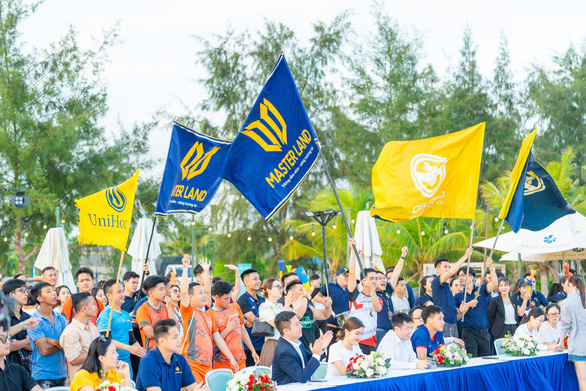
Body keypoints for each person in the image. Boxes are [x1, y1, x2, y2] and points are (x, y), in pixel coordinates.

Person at [179, 255, 239, 383]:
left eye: (203, 293)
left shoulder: (208, 316)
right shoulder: (188, 312)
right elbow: (183, 292)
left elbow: (218, 340)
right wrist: (185, 268)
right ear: (191, 298)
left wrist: (231, 359)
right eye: (199, 293)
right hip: (192, 364)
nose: (204, 295)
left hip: (208, 365)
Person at [135, 319, 208, 391]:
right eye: (175, 337)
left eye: (178, 336)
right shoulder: (148, 361)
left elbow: (192, 388)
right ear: (162, 341)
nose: (179, 340)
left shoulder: (180, 359)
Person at [97, 279, 145, 380]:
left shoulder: (126, 314)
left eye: (122, 291)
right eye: (119, 292)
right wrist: (129, 348)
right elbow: (106, 340)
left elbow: (131, 339)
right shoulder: (105, 315)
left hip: (126, 362)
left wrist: (142, 352)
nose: (123, 294)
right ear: (109, 295)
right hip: (112, 363)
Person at [207, 280, 259, 371]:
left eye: (230, 298)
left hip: (240, 359)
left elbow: (243, 331)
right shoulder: (209, 315)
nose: (229, 301)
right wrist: (228, 329)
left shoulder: (235, 307)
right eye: (226, 298)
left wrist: (253, 351)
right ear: (216, 297)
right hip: (222, 362)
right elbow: (213, 343)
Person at [271, 311, 333, 385]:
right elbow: (302, 377)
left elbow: (309, 360)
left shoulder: (297, 342)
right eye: (297, 324)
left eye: (299, 323)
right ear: (286, 331)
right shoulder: (283, 352)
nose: (301, 326)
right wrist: (316, 355)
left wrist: (320, 348)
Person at [26, 282, 68, 389]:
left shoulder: (61, 319)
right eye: (48, 291)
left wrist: (52, 341)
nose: (54, 293)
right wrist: (60, 343)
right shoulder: (34, 321)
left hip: (62, 374)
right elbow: (44, 351)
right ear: (39, 298)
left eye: (53, 290)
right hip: (42, 375)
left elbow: (68, 344)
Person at [454, 258, 498, 357]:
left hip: (484, 332)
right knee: (472, 359)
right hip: (469, 332)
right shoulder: (458, 296)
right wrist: (468, 305)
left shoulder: (481, 289)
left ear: (471, 277)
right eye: (459, 276)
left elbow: (495, 284)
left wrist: (490, 267)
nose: (460, 278)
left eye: (463, 275)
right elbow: (457, 317)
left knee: (485, 360)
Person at [347, 239, 382, 354]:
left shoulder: (377, 297)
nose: (375, 281)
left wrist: (372, 288)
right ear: (363, 281)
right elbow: (352, 273)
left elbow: (377, 308)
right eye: (371, 278)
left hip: (373, 341)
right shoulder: (355, 295)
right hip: (358, 341)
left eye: (376, 278)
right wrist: (353, 251)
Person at [431, 248, 473, 338]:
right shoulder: (436, 281)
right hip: (443, 324)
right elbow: (452, 271)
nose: (448, 269)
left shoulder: (447, 286)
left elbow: (448, 307)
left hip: (453, 325)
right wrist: (465, 256)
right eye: (445, 267)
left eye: (448, 266)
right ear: (437, 269)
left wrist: (459, 309)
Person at [60, 292, 101, 379]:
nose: (95, 307)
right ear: (84, 308)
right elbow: (74, 359)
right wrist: (98, 350)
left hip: (96, 378)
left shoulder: (92, 327)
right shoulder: (71, 331)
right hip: (82, 381)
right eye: (93, 304)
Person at [285, 279, 332, 352]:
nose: (305, 292)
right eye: (301, 290)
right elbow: (298, 315)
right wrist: (306, 297)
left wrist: (327, 306)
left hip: (311, 350)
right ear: (291, 293)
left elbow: (324, 315)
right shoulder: (287, 308)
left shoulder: (308, 308)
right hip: (297, 351)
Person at [557, 275, 586, 391]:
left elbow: (565, 325)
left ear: (570, 285)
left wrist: (560, 342)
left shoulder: (567, 302)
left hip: (579, 343)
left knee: (582, 379)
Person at [2, 279, 33, 371]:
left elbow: (35, 346)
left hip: (29, 369)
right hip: (8, 369)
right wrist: (27, 341)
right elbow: (7, 346)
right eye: (22, 290)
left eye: (27, 290)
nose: (26, 293)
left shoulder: (29, 318)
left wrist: (15, 341)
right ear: (11, 294)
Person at [136, 276, 174, 352]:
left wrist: (169, 308)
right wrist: (170, 332)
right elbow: (150, 333)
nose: (164, 292)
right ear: (151, 293)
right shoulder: (143, 309)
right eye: (161, 289)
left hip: (168, 351)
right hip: (152, 353)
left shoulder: (166, 306)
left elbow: (176, 327)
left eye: (164, 288)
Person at [0, 324, 43, 391]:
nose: (8, 342)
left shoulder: (18, 369)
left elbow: (36, 388)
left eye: (8, 337)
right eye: (3, 338)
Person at [236, 268, 265, 367]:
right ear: (246, 282)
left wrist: (259, 321)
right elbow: (255, 320)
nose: (259, 281)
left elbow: (258, 322)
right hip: (251, 347)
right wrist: (266, 320)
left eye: (259, 279)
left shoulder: (262, 299)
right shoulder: (242, 300)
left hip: (265, 345)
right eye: (255, 279)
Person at [314, 267, 350, 347]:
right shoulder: (329, 286)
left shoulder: (351, 290)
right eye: (345, 275)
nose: (347, 277)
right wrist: (324, 301)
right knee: (331, 350)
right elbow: (315, 296)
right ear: (337, 277)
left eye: (348, 276)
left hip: (346, 327)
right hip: (332, 325)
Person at [258, 278, 285, 366]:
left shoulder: (280, 305)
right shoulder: (265, 306)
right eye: (277, 286)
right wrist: (287, 305)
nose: (281, 289)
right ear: (268, 290)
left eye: (281, 287)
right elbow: (277, 324)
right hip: (273, 343)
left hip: (284, 343)